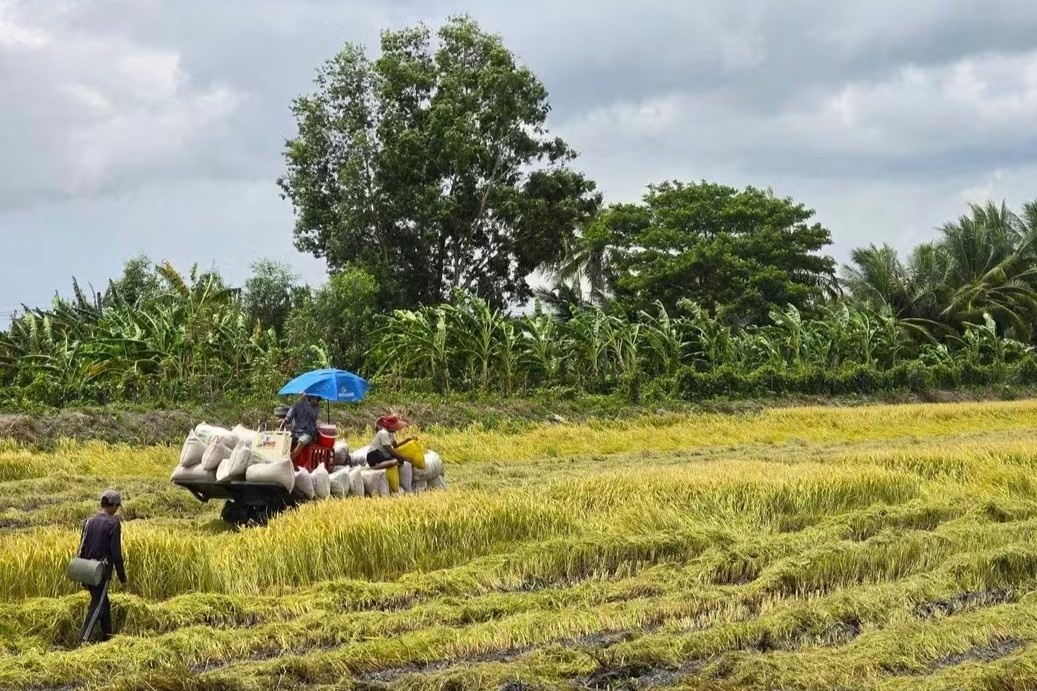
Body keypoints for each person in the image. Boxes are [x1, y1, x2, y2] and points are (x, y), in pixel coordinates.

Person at [79, 489, 127, 645]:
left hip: (86, 568)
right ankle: (83, 639)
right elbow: (116, 553)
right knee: (97, 605)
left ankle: (108, 637)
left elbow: (82, 548)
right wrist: (122, 578)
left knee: (104, 603)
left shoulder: (89, 521)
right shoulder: (113, 523)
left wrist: (83, 576)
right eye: (117, 507)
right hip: (101, 570)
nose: (116, 510)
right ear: (112, 505)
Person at [282, 394, 322, 462]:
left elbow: (313, 414)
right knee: (287, 440)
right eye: (315, 399)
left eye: (317, 399)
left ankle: (289, 460)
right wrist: (284, 421)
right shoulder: (296, 406)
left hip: (308, 433)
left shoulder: (316, 408)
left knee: (301, 441)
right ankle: (284, 458)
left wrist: (305, 403)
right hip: (296, 431)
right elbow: (288, 419)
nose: (316, 401)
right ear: (309, 398)